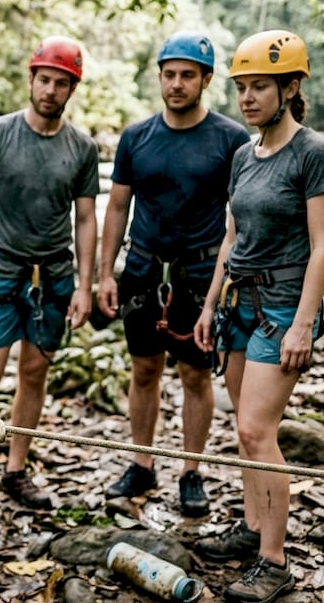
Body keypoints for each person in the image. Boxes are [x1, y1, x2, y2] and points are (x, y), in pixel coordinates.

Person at [192, 29, 324, 603]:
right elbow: (231, 236)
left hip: (282, 307)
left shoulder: (315, 153)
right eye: (242, 88)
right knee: (244, 429)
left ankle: (274, 560)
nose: (248, 98)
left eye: (260, 87)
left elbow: (323, 246)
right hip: (238, 302)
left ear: (291, 87)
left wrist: (304, 324)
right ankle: (254, 526)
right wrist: (209, 305)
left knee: (258, 430)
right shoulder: (242, 155)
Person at [0, 36, 100, 534]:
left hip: (53, 275)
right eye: (44, 79)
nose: (50, 90)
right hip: (0, 273)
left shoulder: (82, 147)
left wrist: (84, 286)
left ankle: (15, 469)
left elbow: (87, 220)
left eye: (61, 83)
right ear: (31, 80)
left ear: (72, 88)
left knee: (34, 374)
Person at [97, 31, 250, 517]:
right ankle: (141, 463)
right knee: (143, 370)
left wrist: (231, 280)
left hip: (201, 273)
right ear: (159, 77)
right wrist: (106, 273)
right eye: (169, 74)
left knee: (194, 375)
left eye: (188, 75)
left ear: (206, 79)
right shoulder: (136, 137)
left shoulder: (230, 139)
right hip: (142, 270)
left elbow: (239, 213)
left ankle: (190, 469)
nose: (177, 84)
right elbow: (117, 206)